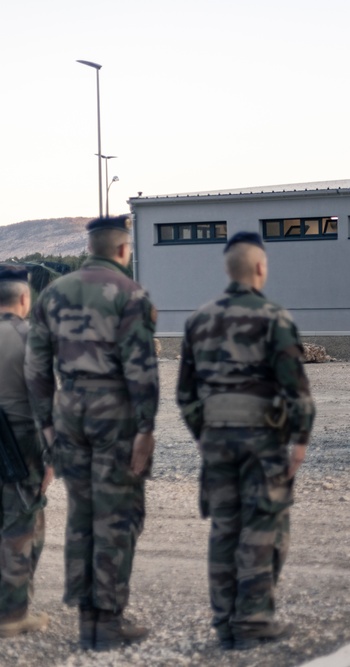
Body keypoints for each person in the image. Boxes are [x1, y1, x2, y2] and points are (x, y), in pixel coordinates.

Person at [24, 215, 159, 651]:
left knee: (82, 515)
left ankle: (87, 619)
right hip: (113, 413)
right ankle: (108, 622)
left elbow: (36, 367)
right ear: (122, 250)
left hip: (69, 411)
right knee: (117, 515)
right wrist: (145, 428)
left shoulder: (53, 293)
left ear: (89, 247)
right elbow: (141, 368)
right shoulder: (130, 294)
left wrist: (46, 422)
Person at [177, 231, 314, 650]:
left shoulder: (198, 319)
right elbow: (295, 388)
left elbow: (185, 392)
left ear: (227, 267)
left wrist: (206, 432)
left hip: (217, 438)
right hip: (262, 441)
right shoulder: (274, 317)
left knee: (224, 528)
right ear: (259, 267)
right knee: (262, 526)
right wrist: (300, 439)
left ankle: (225, 623)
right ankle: (253, 620)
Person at [0, 265, 54, 638]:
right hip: (19, 448)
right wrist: (51, 459)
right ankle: (12, 614)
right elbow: (46, 405)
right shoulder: (31, 337)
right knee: (22, 527)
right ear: (24, 299)